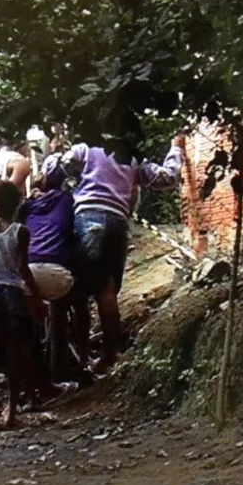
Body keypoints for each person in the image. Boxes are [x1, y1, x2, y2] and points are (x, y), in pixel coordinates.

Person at [50, 134, 184, 374]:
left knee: (77, 293)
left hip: (89, 217)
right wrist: (175, 149)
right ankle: (111, 353)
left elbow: (55, 170)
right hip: (118, 223)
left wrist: (56, 154)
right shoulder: (130, 157)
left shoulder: (86, 148)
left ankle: (79, 361)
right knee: (107, 289)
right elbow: (168, 177)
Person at [0, 180, 45, 430]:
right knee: (13, 355)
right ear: (16, 204)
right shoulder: (20, 232)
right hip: (13, 295)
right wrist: (36, 296)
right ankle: (11, 412)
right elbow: (23, 269)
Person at [19, 173, 76, 382]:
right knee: (63, 307)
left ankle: (34, 379)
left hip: (26, 270)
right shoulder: (65, 201)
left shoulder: (27, 208)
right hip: (55, 271)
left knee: (29, 326)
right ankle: (60, 369)